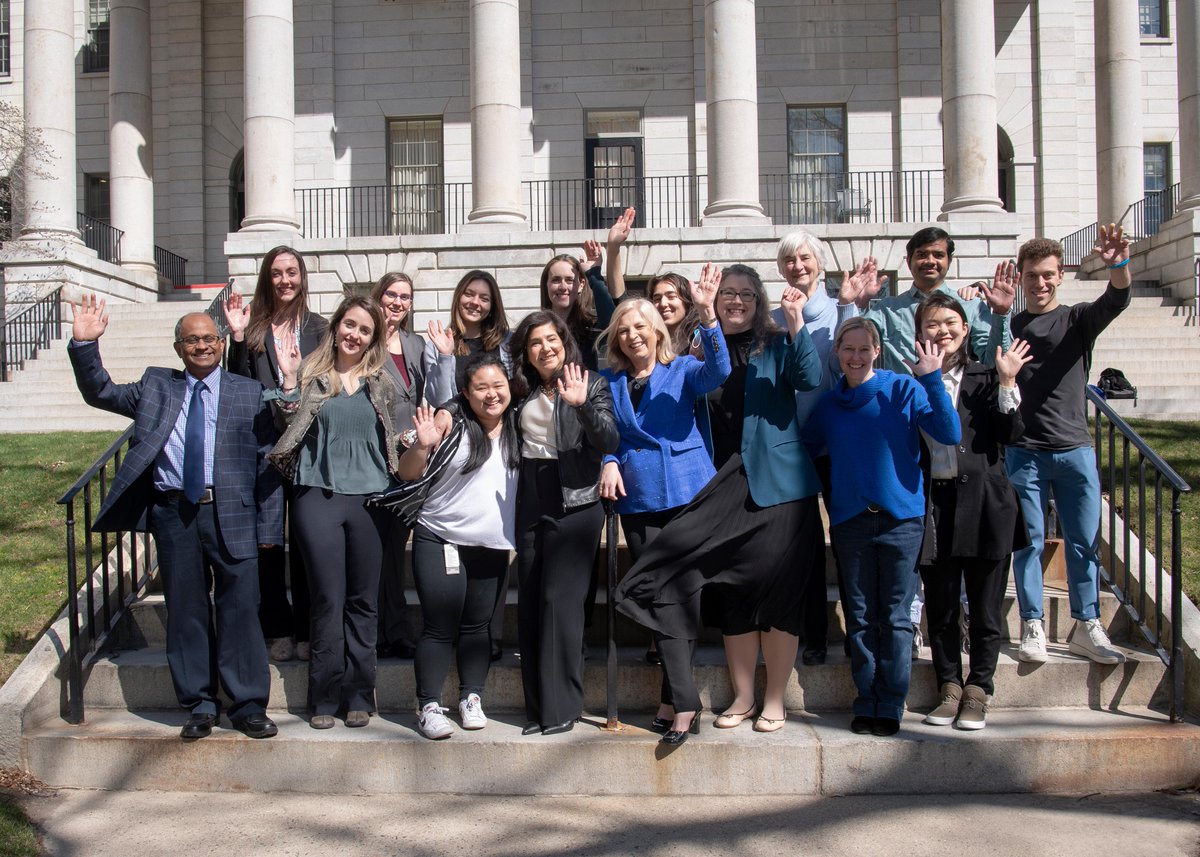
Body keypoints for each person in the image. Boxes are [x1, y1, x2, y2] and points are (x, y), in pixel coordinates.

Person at [617, 264, 824, 741]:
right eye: (728, 293)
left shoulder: (776, 342)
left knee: (778, 593)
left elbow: (810, 376)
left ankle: (774, 701)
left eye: (746, 294)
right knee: (732, 591)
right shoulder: (698, 348)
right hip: (718, 483)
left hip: (779, 483)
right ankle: (743, 696)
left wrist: (796, 322)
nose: (736, 301)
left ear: (759, 300)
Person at [68, 295, 282, 741]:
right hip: (174, 514)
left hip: (234, 513)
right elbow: (101, 392)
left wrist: (269, 527)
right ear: (178, 348)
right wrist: (85, 346)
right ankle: (200, 705)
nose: (202, 346)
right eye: (192, 340)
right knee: (186, 611)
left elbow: (268, 464)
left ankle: (247, 705)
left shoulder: (248, 392)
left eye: (209, 338)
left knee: (241, 610)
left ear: (221, 343)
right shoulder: (156, 386)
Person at [837, 227, 1016, 655]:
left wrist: (1003, 315)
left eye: (937, 254)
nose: (929, 261)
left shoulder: (970, 306)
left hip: (956, 425)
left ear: (948, 259)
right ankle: (917, 620)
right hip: (906, 434)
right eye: (921, 255)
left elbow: (999, 360)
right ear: (910, 259)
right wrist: (851, 304)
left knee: (961, 545)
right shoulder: (887, 308)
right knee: (923, 540)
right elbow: (852, 342)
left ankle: (968, 620)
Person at [802, 317, 960, 736]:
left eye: (863, 348)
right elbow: (808, 448)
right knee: (859, 614)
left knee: (894, 616)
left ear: (877, 351)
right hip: (852, 522)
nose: (855, 356)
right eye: (847, 348)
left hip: (901, 520)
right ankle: (866, 697)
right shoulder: (829, 407)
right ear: (837, 353)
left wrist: (931, 380)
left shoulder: (903, 389)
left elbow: (949, 431)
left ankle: (891, 701)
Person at [599, 263, 730, 745]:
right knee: (660, 597)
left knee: (678, 597)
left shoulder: (683, 370)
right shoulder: (609, 382)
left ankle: (683, 702)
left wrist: (708, 313)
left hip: (686, 495)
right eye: (625, 329)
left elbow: (720, 370)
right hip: (637, 499)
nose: (633, 336)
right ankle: (675, 697)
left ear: (657, 333)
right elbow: (607, 434)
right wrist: (609, 460)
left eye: (641, 328)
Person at [269, 295, 399, 730]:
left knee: (363, 601)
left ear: (373, 338)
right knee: (327, 598)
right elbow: (286, 420)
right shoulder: (310, 373)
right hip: (317, 494)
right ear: (337, 327)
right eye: (349, 325)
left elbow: (398, 433)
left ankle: (360, 694)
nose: (355, 334)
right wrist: (288, 381)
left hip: (371, 498)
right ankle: (323, 698)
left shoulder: (382, 380)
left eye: (364, 329)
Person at [1005, 225, 1131, 665]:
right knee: (1029, 541)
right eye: (1031, 275)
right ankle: (1033, 624)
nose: (1039, 283)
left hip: (1075, 448)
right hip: (1024, 452)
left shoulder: (1077, 319)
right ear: (1020, 278)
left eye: (1047, 275)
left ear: (1060, 277)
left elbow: (1116, 300)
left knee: (1083, 541)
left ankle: (1087, 623)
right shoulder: (1011, 326)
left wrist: (1118, 266)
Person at [913, 293, 1032, 730]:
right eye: (931, 324)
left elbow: (1011, 434)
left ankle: (979, 689)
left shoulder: (987, 375)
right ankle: (949, 685)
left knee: (984, 608)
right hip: (936, 506)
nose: (941, 331)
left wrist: (1006, 384)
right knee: (941, 606)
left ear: (965, 330)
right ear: (919, 332)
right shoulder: (913, 380)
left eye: (950, 323)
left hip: (986, 505)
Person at [393, 354, 520, 740]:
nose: (491, 394)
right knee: (439, 625)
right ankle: (429, 704)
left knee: (478, 626)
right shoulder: (452, 426)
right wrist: (421, 446)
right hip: (440, 535)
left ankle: (471, 697)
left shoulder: (520, 426)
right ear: (465, 393)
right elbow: (407, 473)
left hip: (492, 543)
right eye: (480, 387)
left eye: (498, 385)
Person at [508, 311, 619, 735]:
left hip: (576, 498)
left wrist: (582, 406)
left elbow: (609, 438)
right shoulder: (522, 389)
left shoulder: (591, 383)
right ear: (527, 353)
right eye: (535, 342)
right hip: (531, 497)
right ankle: (537, 709)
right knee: (533, 601)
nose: (545, 348)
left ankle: (563, 708)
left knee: (561, 604)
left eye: (551, 339)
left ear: (564, 341)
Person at [226, 245, 328, 663]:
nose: (285, 280)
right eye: (276, 273)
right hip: (265, 449)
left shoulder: (320, 328)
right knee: (268, 541)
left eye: (292, 272)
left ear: (302, 277)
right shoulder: (254, 329)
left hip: (308, 446)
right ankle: (278, 628)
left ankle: (306, 629)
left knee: (305, 540)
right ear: (268, 279)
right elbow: (237, 384)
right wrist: (235, 337)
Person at [769, 231, 859, 666]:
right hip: (790, 448)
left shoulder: (839, 311)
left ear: (819, 264)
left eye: (804, 258)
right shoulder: (772, 319)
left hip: (835, 445)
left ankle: (856, 628)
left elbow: (851, 366)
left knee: (845, 540)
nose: (797, 266)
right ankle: (813, 634)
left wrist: (851, 304)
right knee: (800, 546)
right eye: (789, 260)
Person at [370, 272, 430, 661]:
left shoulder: (416, 343)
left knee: (394, 549)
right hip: (375, 457)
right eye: (391, 294)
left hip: (411, 460)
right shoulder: (365, 340)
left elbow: (426, 391)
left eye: (405, 296)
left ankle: (392, 627)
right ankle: (385, 631)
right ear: (378, 297)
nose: (397, 301)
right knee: (381, 550)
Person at [541, 206, 634, 369]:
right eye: (556, 280)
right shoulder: (537, 327)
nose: (563, 286)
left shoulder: (591, 327)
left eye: (569, 280)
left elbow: (613, 320)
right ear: (546, 285)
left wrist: (594, 275)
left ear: (580, 284)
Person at [424, 270, 512, 407]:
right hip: (458, 426)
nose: (475, 302)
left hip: (501, 426)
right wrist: (445, 356)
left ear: (492, 306)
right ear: (458, 298)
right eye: (469, 294)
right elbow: (440, 402)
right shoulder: (435, 347)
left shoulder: (508, 342)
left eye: (484, 298)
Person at [649, 273, 702, 355]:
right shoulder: (650, 342)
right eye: (657, 299)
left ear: (687, 300)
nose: (663, 303)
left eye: (671, 296)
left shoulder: (701, 339)